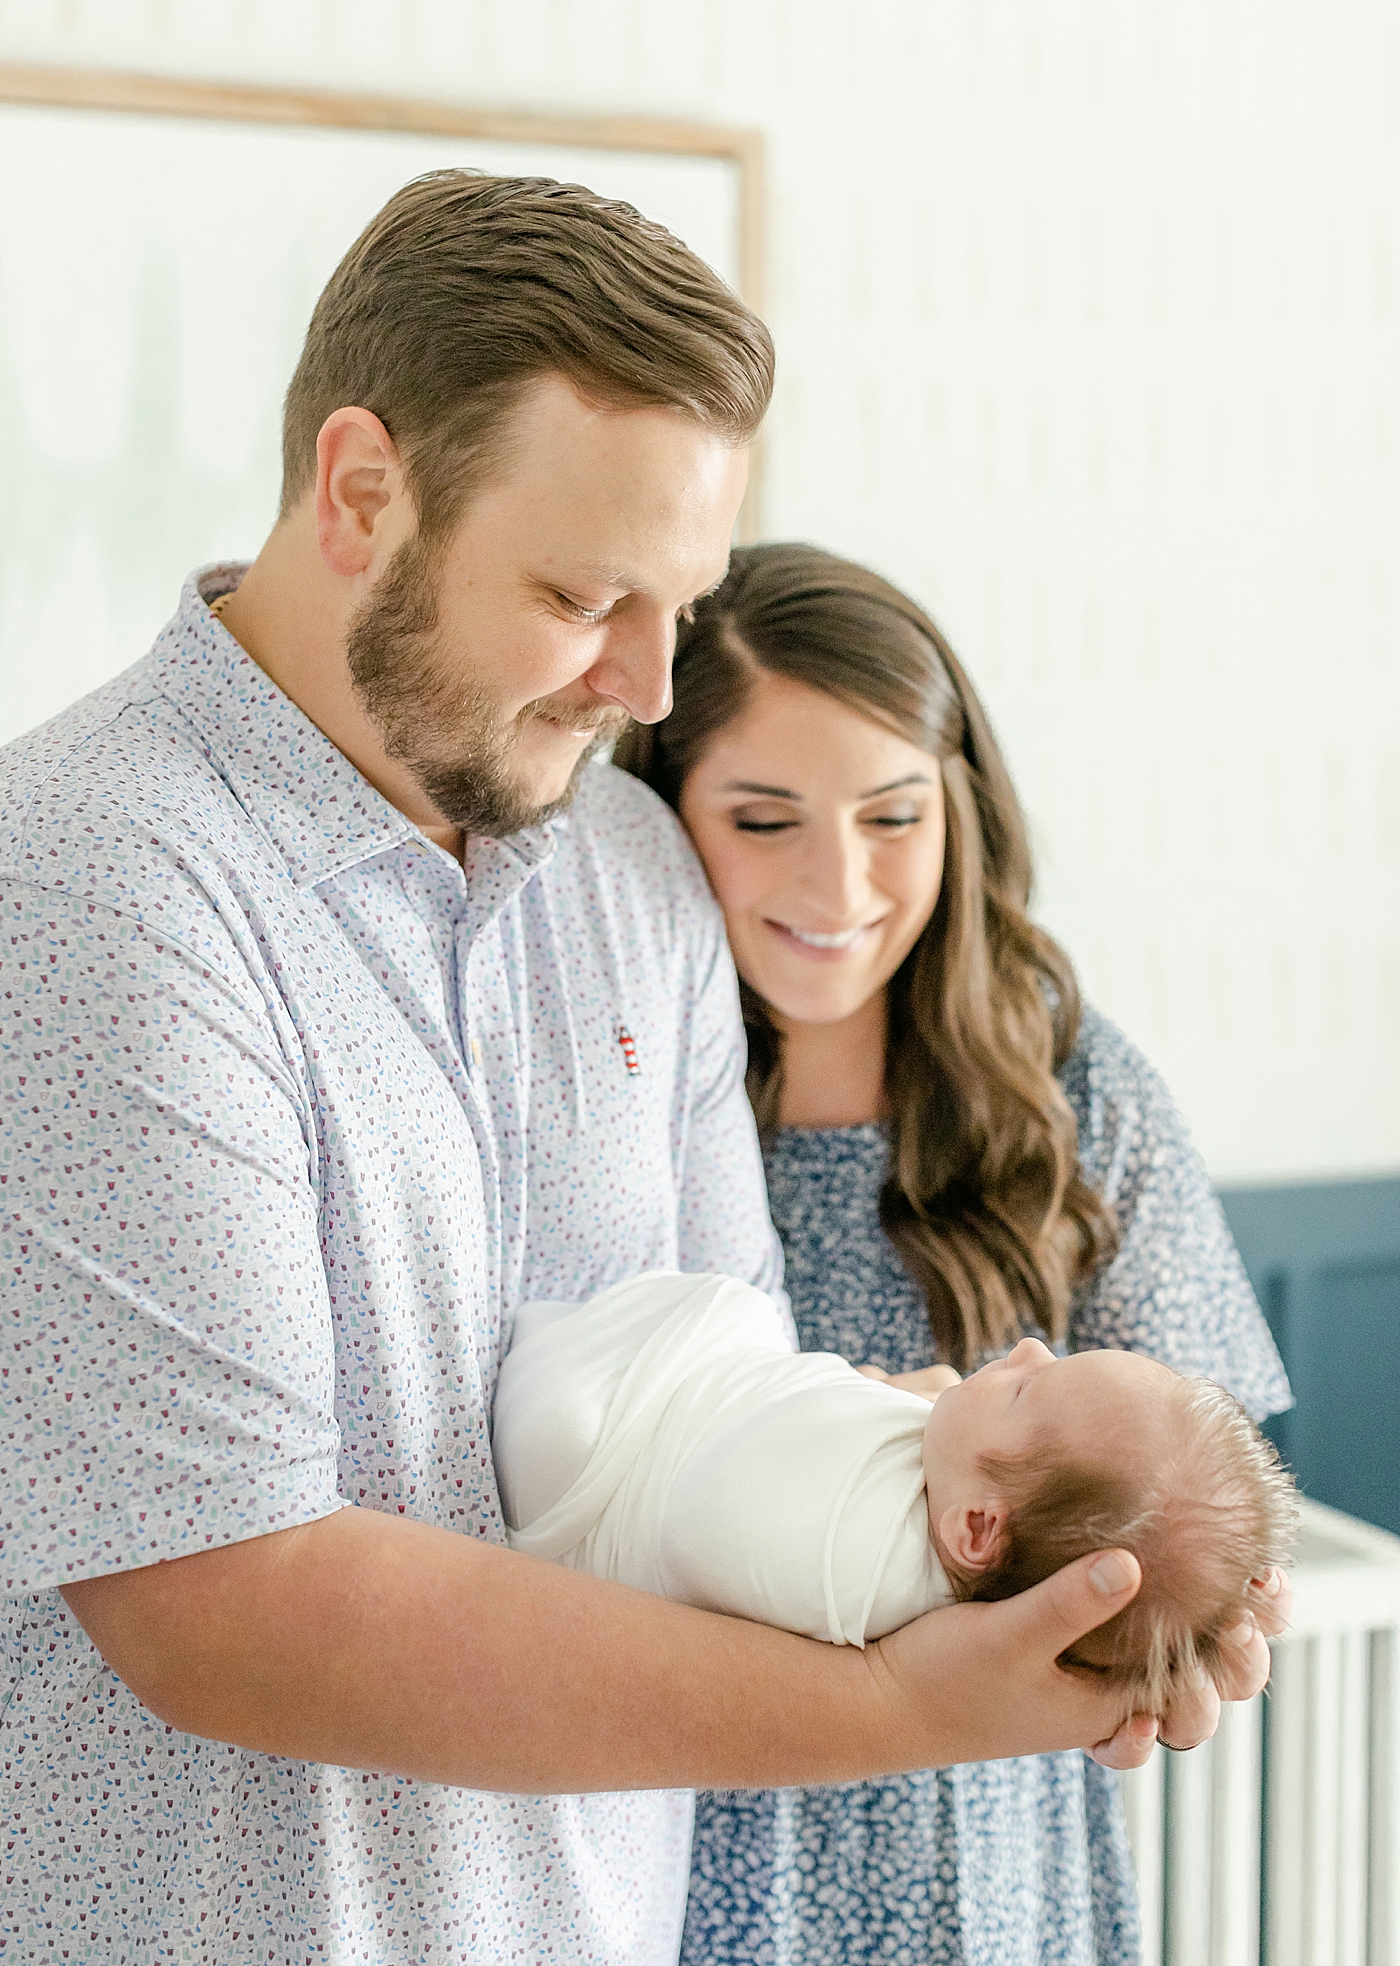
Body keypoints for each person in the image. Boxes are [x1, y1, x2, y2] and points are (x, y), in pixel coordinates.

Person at [0, 174, 1271, 1966]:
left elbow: (724, 1384)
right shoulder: (89, 884)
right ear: (362, 491)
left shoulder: (629, 872)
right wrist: (910, 1711)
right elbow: (227, 1603)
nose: (650, 682)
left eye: (679, 601)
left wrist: (1034, 1563)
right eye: (588, 595)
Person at [615, 542, 1295, 1966]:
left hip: (990, 1840)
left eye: (891, 815)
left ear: (958, 812)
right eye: (761, 819)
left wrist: (1206, 1626)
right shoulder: (615, 1102)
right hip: (674, 1804)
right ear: (654, 816)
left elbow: (1194, 1477)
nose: (838, 882)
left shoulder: (1074, 1094)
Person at [494, 1269, 1298, 1718]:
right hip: (658, 1420)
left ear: (976, 1530)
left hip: (593, 1460)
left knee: (712, 1325)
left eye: (1027, 1391)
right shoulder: (945, 1502)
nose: (1024, 1349)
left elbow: (709, 1510)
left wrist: (873, 1393)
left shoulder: (854, 1559)